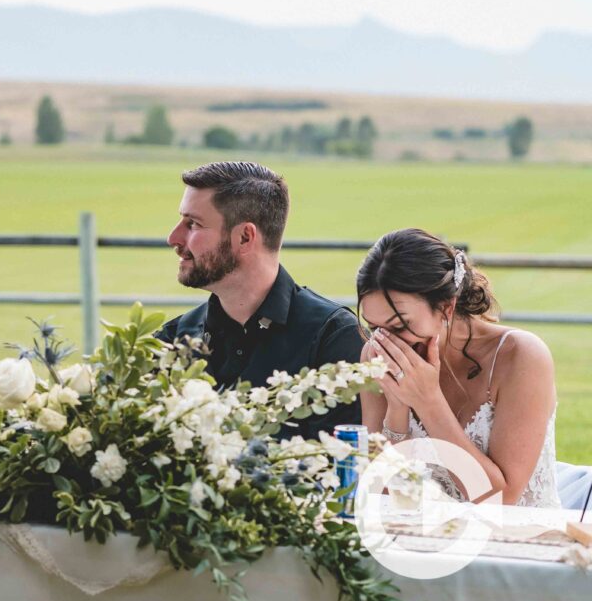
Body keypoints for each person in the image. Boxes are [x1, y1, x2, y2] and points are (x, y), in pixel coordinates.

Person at [156, 161, 362, 442]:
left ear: (244, 236)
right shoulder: (171, 341)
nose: (173, 238)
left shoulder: (333, 339)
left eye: (193, 224)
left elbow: (344, 472)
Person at [357, 228, 558, 507]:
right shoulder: (376, 354)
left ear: (446, 307)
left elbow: (501, 500)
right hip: (421, 541)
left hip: (516, 539)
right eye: (374, 327)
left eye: (400, 325)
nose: (388, 342)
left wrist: (428, 403)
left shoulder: (521, 357)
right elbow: (377, 495)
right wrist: (397, 410)